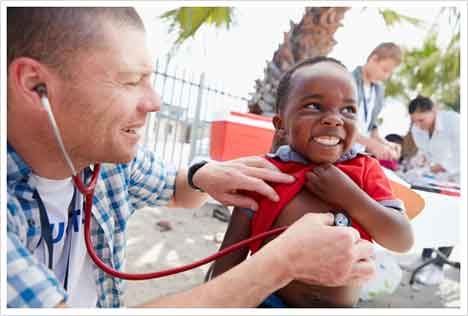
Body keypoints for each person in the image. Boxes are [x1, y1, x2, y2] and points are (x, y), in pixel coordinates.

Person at [6, 8, 376, 308]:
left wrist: (206, 175)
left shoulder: (105, 164)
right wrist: (282, 264)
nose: (154, 103)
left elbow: (181, 190)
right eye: (130, 80)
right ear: (34, 84)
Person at [208, 57, 414, 307]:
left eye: (348, 110)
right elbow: (228, 259)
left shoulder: (364, 169)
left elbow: (402, 240)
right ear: (281, 124)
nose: (334, 119)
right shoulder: (265, 174)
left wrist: (350, 197)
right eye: (315, 106)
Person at [407, 95, 460, 285]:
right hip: (440, 178)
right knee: (434, 212)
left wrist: (442, 166)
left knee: (453, 218)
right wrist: (423, 163)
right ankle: (425, 258)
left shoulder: (454, 121)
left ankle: (437, 267)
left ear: (434, 110)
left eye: (422, 120)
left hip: (459, 175)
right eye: (415, 121)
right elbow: (426, 153)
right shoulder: (416, 129)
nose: (419, 125)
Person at [352, 42, 403, 161]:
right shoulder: (348, 81)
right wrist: (373, 145)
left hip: (357, 155)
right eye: (385, 70)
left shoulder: (379, 91)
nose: (386, 77)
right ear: (373, 59)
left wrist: (386, 144)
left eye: (390, 73)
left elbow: (371, 129)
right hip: (337, 154)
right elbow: (341, 124)